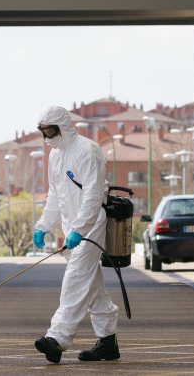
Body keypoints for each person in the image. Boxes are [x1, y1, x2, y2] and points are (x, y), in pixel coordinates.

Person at [32, 105, 120, 363]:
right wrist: (43, 225)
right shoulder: (56, 156)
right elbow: (55, 195)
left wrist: (80, 229)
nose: (47, 136)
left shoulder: (87, 150)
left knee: (74, 281)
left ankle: (57, 339)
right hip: (72, 230)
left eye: (50, 130)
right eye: (43, 131)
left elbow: (93, 194)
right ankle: (108, 343)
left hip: (90, 227)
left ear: (62, 127)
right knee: (92, 287)